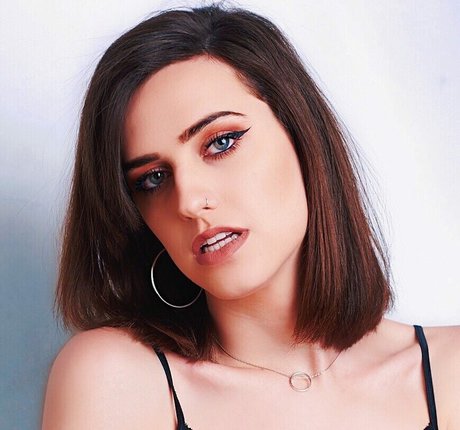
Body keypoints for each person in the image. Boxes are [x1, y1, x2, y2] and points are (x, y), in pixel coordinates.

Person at [42, 4, 459, 429]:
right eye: (153, 179)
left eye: (221, 142)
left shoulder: (451, 373)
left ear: (302, 135)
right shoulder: (116, 379)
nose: (188, 201)